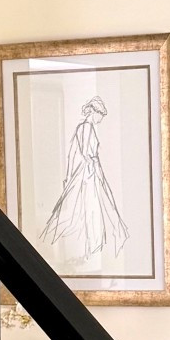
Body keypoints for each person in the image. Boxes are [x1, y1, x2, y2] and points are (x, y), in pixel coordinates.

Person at [41, 96, 129, 261]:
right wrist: (96, 173)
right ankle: (93, 248)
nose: (101, 119)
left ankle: (93, 248)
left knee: (93, 209)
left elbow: (74, 154)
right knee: (91, 209)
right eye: (100, 115)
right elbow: (86, 154)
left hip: (88, 172)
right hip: (89, 175)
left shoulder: (84, 128)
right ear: (94, 112)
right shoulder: (86, 128)